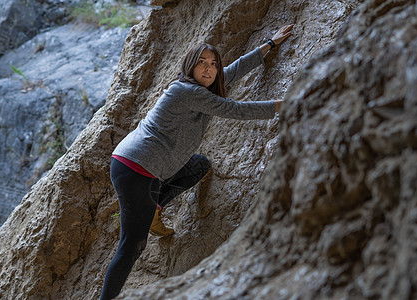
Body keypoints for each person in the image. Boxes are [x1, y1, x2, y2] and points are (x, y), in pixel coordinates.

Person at [100, 24, 294, 300]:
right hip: (137, 167)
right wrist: (284, 104)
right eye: (201, 62)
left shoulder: (204, 88)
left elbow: (232, 72)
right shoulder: (186, 91)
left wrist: (269, 45)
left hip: (145, 167)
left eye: (213, 64)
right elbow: (234, 109)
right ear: (190, 66)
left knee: (198, 165)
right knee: (133, 245)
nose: (208, 68)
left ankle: (154, 208)